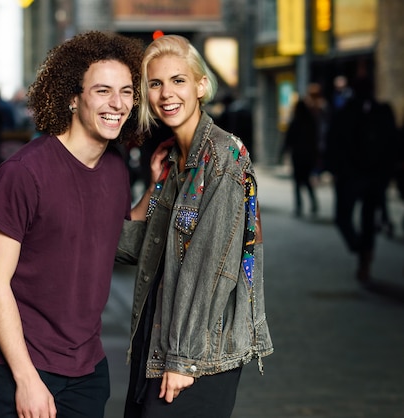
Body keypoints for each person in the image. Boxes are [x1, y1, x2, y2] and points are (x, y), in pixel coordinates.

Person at [0, 31, 144, 418]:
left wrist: (158, 184)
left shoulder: (116, 167)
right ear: (72, 97)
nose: (117, 103)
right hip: (19, 368)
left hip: (87, 369)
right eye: (102, 91)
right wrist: (27, 379)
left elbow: (109, 237)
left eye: (126, 91)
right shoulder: (23, 173)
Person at [115, 34, 273, 418]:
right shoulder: (174, 162)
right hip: (160, 338)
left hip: (196, 352)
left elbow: (211, 268)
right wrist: (153, 187)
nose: (166, 93)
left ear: (202, 85)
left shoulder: (223, 157)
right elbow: (131, 248)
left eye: (178, 80)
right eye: (156, 83)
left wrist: (182, 360)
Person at [327, 76, 399, 283]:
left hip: (359, 175)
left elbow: (334, 142)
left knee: (352, 218)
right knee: (362, 219)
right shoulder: (378, 111)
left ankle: (363, 257)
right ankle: (363, 253)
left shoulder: (348, 112)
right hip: (364, 175)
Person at [281, 83, 328, 217]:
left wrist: (283, 152)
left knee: (297, 182)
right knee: (307, 181)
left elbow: (288, 140)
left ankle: (299, 207)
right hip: (308, 155)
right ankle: (313, 203)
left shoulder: (295, 122)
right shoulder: (311, 122)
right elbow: (315, 139)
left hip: (298, 156)